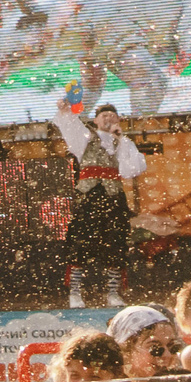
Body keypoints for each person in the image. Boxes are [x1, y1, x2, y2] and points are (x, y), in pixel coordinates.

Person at [53, 98, 148, 308]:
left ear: (119, 120)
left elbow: (131, 169)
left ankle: (113, 293)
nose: (108, 118)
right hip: (89, 196)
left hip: (113, 197)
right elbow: (70, 127)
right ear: (95, 120)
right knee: (80, 243)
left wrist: (120, 139)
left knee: (115, 244)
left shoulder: (124, 141)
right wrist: (66, 112)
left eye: (112, 115)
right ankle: (75, 293)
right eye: (104, 115)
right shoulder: (86, 136)